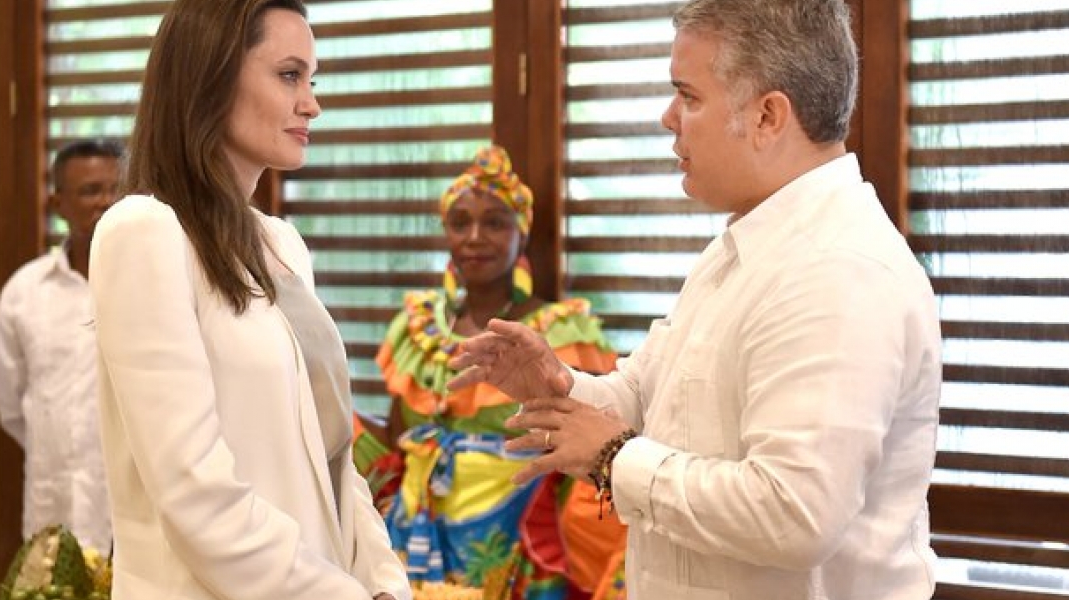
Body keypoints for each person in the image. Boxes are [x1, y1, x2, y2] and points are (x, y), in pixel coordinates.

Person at [448, 1, 943, 599]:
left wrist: (612, 459)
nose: (668, 118)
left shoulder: (836, 269)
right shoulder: (741, 248)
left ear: (767, 116)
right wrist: (557, 386)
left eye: (689, 96)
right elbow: (647, 398)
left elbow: (794, 514)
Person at [87, 1, 408, 598]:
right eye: (289, 75)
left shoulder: (281, 242)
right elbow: (195, 495)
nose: (311, 103)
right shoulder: (143, 230)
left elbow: (336, 453)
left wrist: (383, 582)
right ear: (210, 76)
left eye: (312, 81)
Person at [353, 145, 627, 599]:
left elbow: (585, 438)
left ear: (522, 234)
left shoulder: (556, 330)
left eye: (495, 223)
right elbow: (401, 435)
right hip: (418, 525)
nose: (475, 236)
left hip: (516, 533)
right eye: (460, 222)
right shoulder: (418, 325)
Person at [0, 138, 123, 553]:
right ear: (57, 202)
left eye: (116, 190)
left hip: (135, 517)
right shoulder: (26, 292)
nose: (106, 202)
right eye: (90, 191)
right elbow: (13, 409)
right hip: (53, 507)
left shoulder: (156, 285)